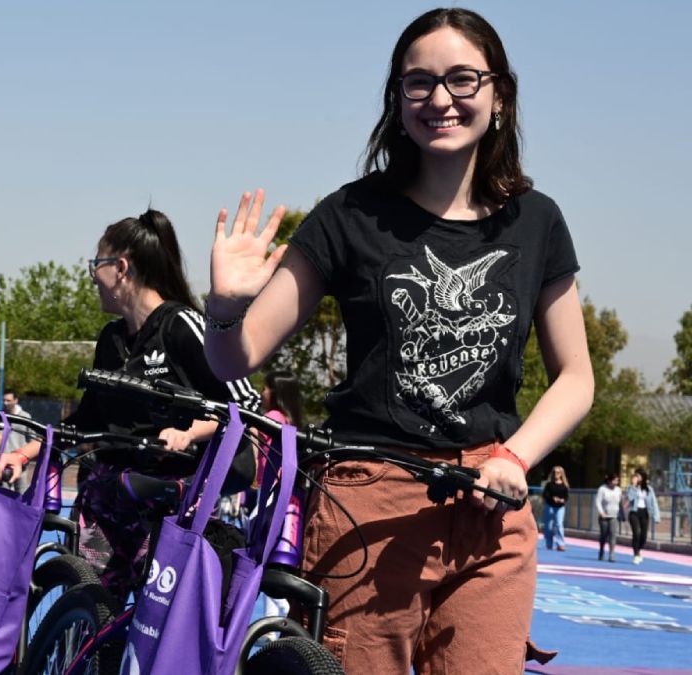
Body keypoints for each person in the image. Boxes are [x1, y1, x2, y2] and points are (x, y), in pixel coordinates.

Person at [202, 8, 595, 672]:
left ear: (499, 94)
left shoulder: (538, 222)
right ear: (397, 99)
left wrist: (515, 458)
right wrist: (221, 307)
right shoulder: (347, 216)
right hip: (368, 505)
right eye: (419, 82)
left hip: (491, 509)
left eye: (463, 78)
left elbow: (577, 378)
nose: (441, 98)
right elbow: (233, 358)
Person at [0, 209, 261, 598]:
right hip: (107, 503)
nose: (91, 276)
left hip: (171, 504)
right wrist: (24, 455)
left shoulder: (182, 325)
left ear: (120, 267)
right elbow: (84, 421)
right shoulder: (111, 339)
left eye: (96, 264)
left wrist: (190, 432)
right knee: (89, 612)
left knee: (159, 623)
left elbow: (246, 404)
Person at [257, 370, 303, 619]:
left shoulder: (272, 418)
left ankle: (270, 617)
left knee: (261, 556)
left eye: (265, 388)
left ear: (276, 392)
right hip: (292, 497)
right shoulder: (292, 420)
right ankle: (278, 614)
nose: (261, 392)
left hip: (272, 495)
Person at [625, 468, 660, 564]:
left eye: (638, 476)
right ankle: (636, 554)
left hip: (644, 512)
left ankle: (639, 549)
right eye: (635, 476)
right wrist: (633, 485)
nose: (636, 478)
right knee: (636, 533)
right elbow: (629, 498)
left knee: (643, 536)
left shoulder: (649, 489)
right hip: (634, 512)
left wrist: (656, 516)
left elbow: (654, 502)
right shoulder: (631, 487)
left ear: (643, 477)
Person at [2, 389, 33, 493]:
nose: (5, 403)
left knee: (21, 493)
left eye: (8, 400)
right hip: (4, 462)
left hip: (21, 463)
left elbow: (32, 439)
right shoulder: (0, 416)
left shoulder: (25, 417)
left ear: (15, 400)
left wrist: (26, 457)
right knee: (3, 494)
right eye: (4, 400)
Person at [596, 473, 623, 562]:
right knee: (604, 535)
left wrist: (621, 512)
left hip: (614, 516)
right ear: (609, 481)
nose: (616, 482)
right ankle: (601, 551)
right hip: (604, 516)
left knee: (613, 535)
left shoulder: (618, 490)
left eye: (617, 481)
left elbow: (620, 502)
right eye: (615, 480)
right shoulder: (602, 489)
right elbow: (598, 501)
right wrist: (601, 512)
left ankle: (611, 554)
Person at [542, 466, 569, 551]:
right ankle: (549, 543)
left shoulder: (564, 485)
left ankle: (560, 544)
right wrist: (552, 498)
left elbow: (566, 496)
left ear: (561, 474)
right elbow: (545, 495)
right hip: (549, 506)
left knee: (559, 524)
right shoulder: (549, 485)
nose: (555, 474)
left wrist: (562, 500)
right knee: (549, 526)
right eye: (554, 472)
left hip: (560, 507)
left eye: (557, 472)